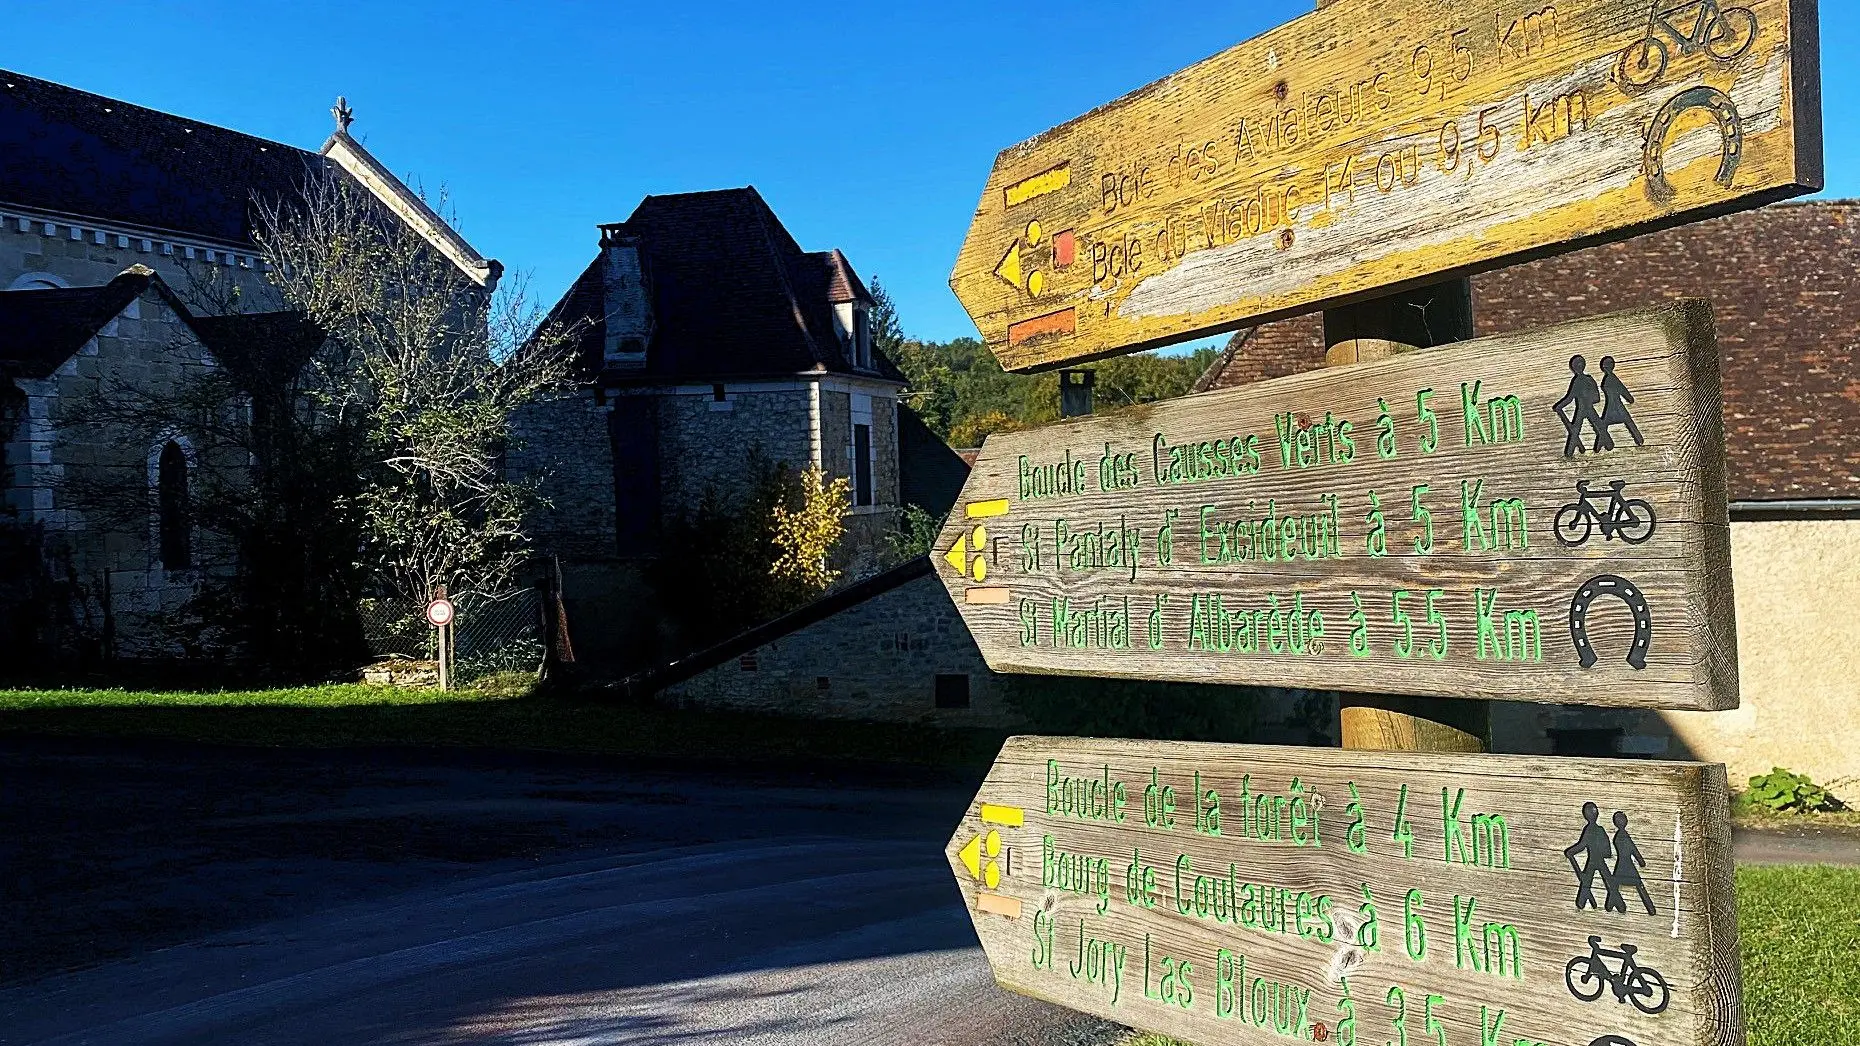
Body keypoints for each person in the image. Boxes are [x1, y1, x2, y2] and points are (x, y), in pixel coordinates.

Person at [1565, 801, 1614, 910]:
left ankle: (1584, 901)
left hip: (1593, 860)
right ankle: (1614, 901)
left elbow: (1582, 845)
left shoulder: (1590, 830)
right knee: (1606, 881)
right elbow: (1607, 847)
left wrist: (1571, 852)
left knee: (1587, 882)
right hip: (1599, 860)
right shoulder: (1599, 829)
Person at [1607, 810, 1657, 915]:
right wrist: (1641, 862)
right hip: (1628, 865)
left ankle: (1610, 905)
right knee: (1639, 885)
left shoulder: (1617, 837)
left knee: (1615, 885)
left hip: (1621, 865)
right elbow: (1634, 850)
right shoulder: (1624, 837)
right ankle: (1650, 909)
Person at [1554, 356, 1605, 457]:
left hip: (1583, 409)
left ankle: (1572, 450)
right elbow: (1571, 397)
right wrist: (1559, 406)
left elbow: (1570, 398)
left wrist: (1560, 406)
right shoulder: (1586, 380)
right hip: (1585, 409)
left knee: (1578, 431)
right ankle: (1573, 449)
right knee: (1581, 430)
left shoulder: (1581, 381)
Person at [1597, 356, 1645, 450]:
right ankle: (1639, 439)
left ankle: (1600, 444)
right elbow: (1623, 390)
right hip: (1616, 405)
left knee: (1605, 425)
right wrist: (1629, 398)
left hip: (1612, 405)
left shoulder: (1608, 379)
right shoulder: (1612, 378)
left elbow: (1622, 390)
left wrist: (1629, 399)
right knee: (1627, 421)